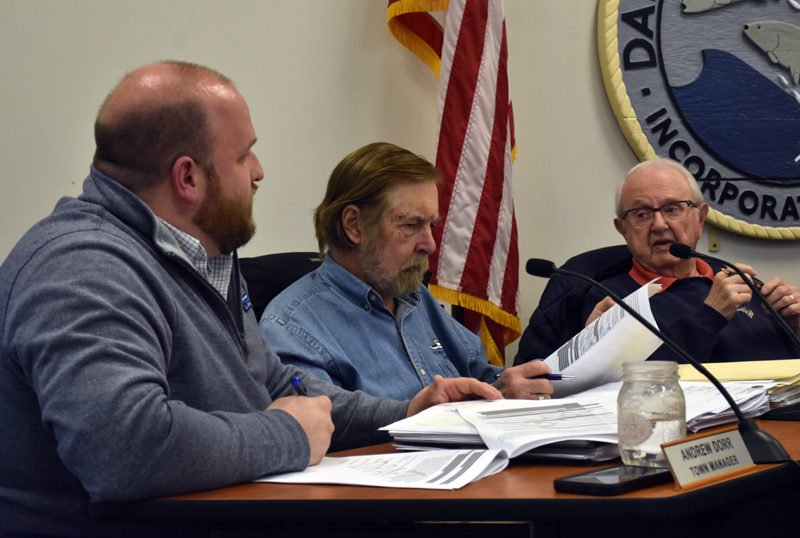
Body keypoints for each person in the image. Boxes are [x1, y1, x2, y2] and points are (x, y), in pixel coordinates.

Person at [0, 62, 501, 537]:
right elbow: (124, 449)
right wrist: (287, 435)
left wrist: (406, 412)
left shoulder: (205, 257)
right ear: (188, 177)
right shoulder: (84, 268)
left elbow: (281, 384)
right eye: (243, 156)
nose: (259, 171)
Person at [259, 142, 554, 401]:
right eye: (411, 225)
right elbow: (326, 423)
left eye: (432, 226)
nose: (430, 245)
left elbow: (486, 378)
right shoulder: (290, 325)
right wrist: (418, 413)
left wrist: (532, 378)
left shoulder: (415, 298)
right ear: (354, 225)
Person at [539, 158, 799, 364]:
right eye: (641, 214)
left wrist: (795, 328)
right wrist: (711, 315)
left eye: (672, 209)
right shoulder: (610, 298)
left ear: (700, 219)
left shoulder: (736, 280)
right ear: (623, 230)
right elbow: (634, 383)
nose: (659, 225)